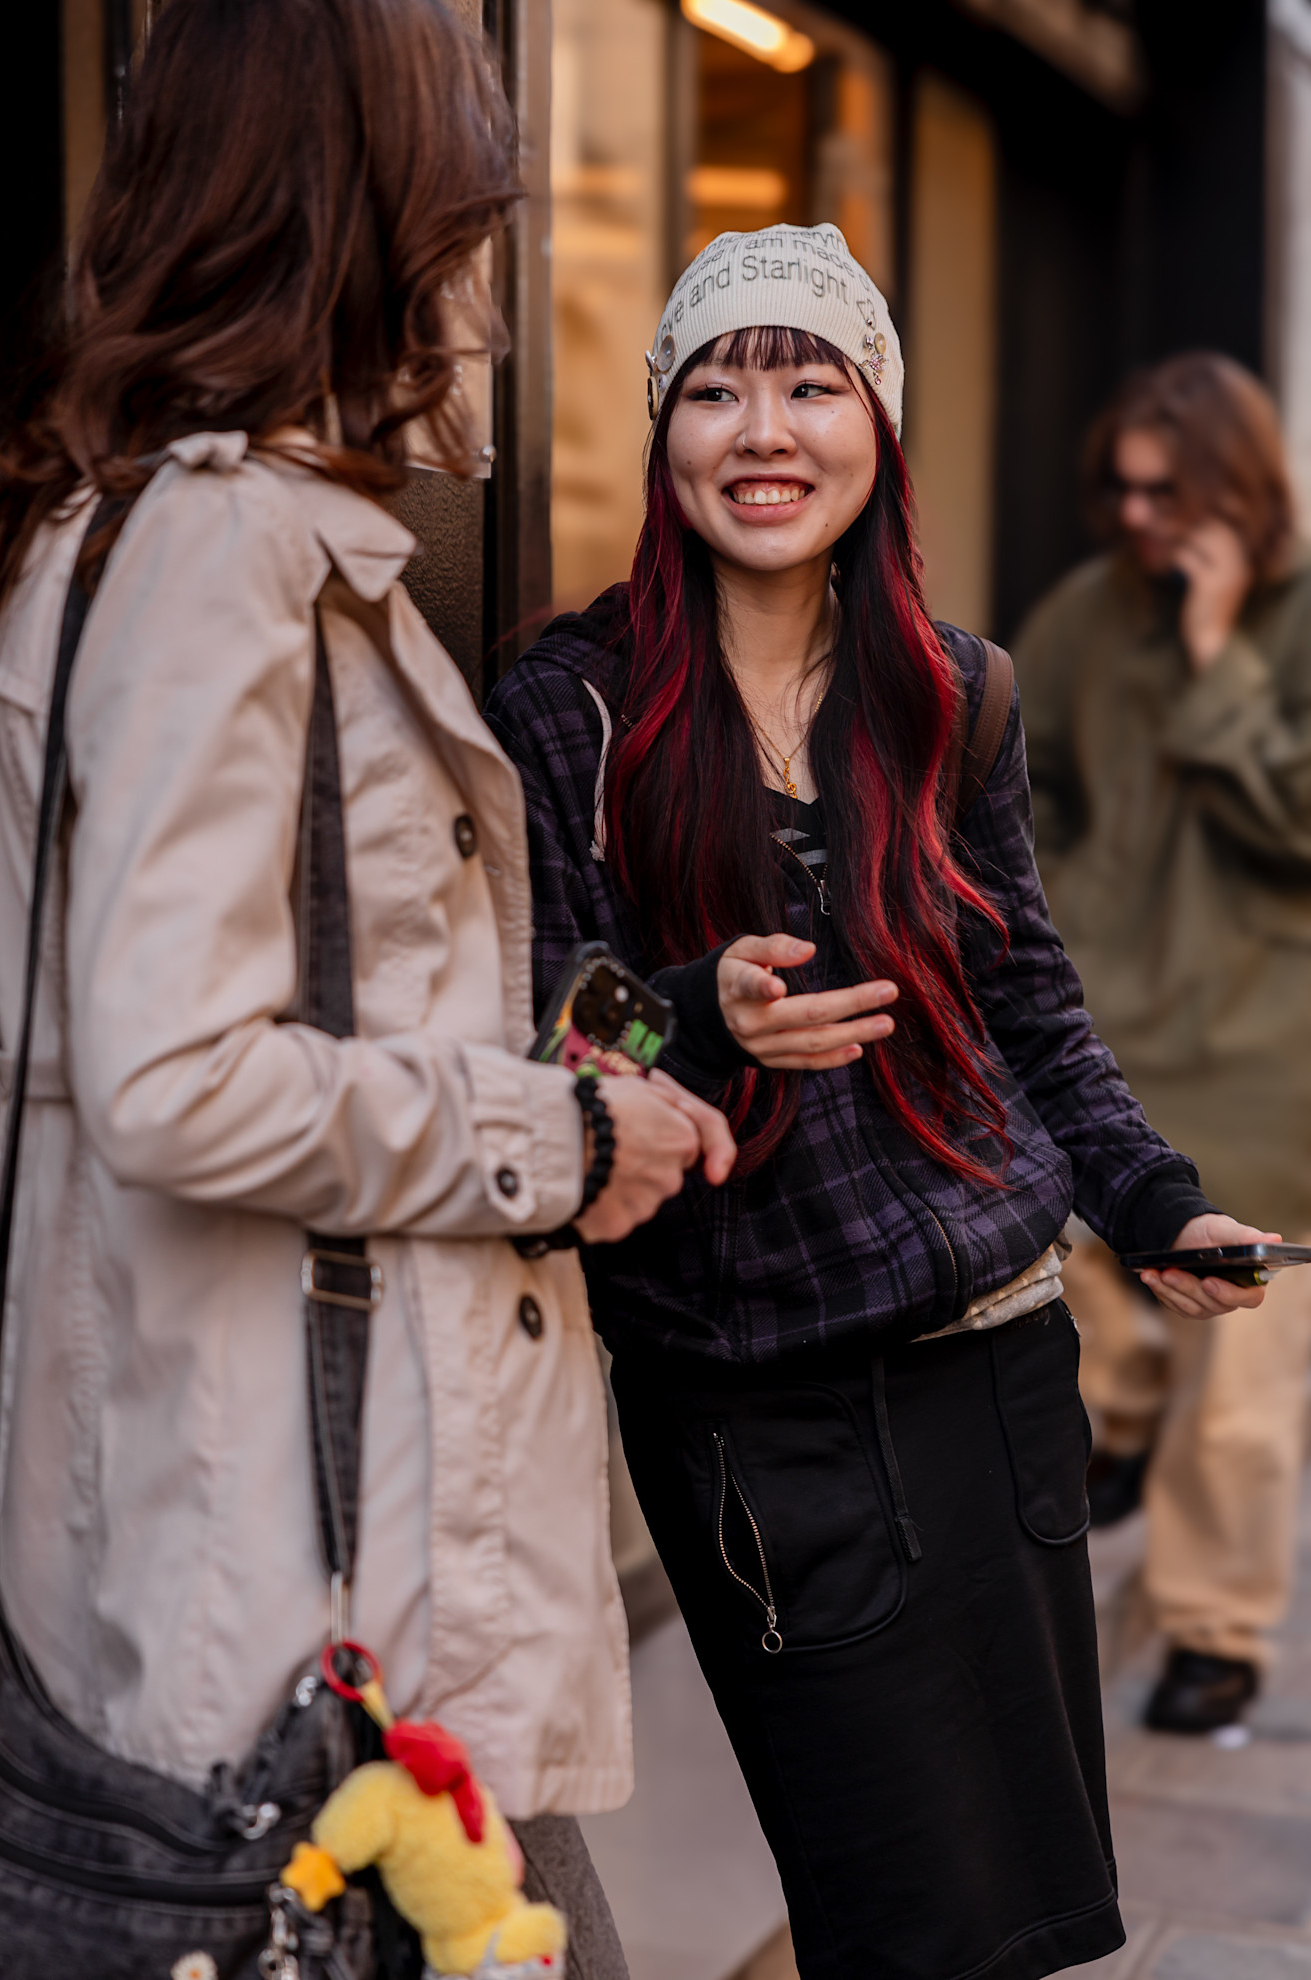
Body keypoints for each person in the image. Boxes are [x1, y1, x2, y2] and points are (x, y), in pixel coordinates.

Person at [0, 1, 734, 1969]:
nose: (492, 280)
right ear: (374, 218)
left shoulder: (157, 538)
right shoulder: (221, 558)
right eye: (470, 207)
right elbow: (173, 1077)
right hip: (300, 1600)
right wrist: (554, 1132)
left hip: (286, 1558)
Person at [485, 225, 1280, 1980]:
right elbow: (533, 1038)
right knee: (895, 1916)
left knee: (1018, 1924)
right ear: (663, 431)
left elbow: (1028, 1009)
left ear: (880, 427)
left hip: (997, 1373)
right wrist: (700, 1018)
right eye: (715, 387)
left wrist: (1151, 1201)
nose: (760, 430)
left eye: (808, 380)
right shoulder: (572, 705)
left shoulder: (950, 690)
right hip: (755, 1411)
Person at [1013, 351, 1311, 1735]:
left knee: (1240, 1394)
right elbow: (1022, 793)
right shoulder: (1081, 614)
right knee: (1070, 1293)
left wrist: (1218, 654)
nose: (1134, 516)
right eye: (1119, 489)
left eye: (1164, 491)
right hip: (1106, 1045)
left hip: (1266, 1062)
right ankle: (1117, 1425)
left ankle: (1213, 1628)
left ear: (1235, 488)